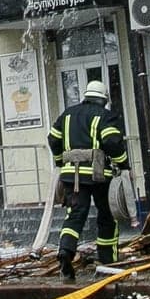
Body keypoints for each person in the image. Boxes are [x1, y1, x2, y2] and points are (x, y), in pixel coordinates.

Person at [47, 80, 129, 280]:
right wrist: (123, 164)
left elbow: (53, 139)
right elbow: (111, 141)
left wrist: (60, 162)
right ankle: (107, 259)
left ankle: (65, 251)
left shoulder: (67, 114)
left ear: (86, 96)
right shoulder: (105, 115)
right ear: (103, 100)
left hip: (72, 175)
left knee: (75, 214)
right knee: (107, 215)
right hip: (98, 174)